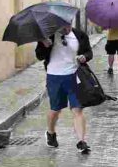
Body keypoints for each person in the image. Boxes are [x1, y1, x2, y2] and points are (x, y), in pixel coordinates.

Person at [35, 25, 93, 154]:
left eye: (68, 24)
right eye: (63, 25)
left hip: (74, 76)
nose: (67, 28)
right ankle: (50, 133)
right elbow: (39, 56)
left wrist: (84, 57)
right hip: (54, 77)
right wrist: (45, 45)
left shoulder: (80, 35)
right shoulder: (48, 35)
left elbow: (89, 52)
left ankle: (81, 141)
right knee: (56, 109)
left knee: (77, 109)